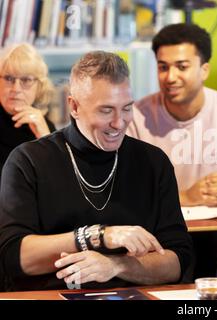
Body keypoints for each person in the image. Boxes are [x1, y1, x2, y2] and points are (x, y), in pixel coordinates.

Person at [0, 51, 194, 291]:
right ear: (74, 106)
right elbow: (14, 257)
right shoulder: (28, 160)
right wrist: (99, 236)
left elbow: (178, 261)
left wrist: (116, 265)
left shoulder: (153, 163)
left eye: (126, 108)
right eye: (106, 110)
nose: (119, 122)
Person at [127, 23, 217, 207]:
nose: (170, 77)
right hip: (159, 232)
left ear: (204, 70)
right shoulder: (134, 119)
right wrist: (186, 197)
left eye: (182, 67)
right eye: (163, 67)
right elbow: (120, 192)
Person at [0, 43, 56, 178]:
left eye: (26, 80)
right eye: (9, 78)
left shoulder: (46, 127)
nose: (16, 89)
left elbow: (57, 183)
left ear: (39, 87)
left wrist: (44, 138)